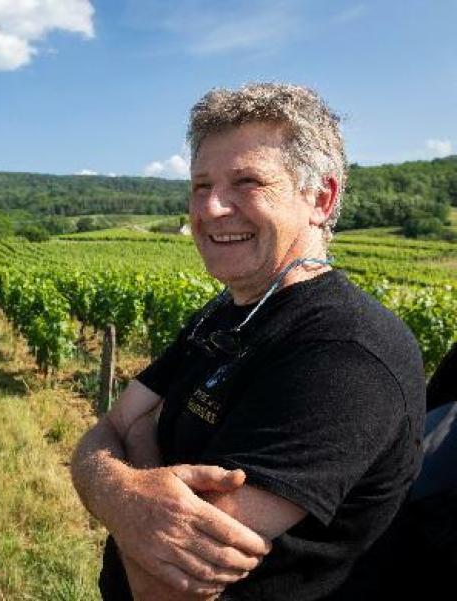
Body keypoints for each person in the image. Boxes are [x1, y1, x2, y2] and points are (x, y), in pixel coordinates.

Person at [71, 83, 426, 600]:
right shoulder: (225, 313)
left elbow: (168, 584)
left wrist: (131, 471)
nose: (212, 208)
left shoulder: (346, 354)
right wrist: (127, 493)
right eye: (200, 185)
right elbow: (114, 425)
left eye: (248, 181)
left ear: (321, 199)